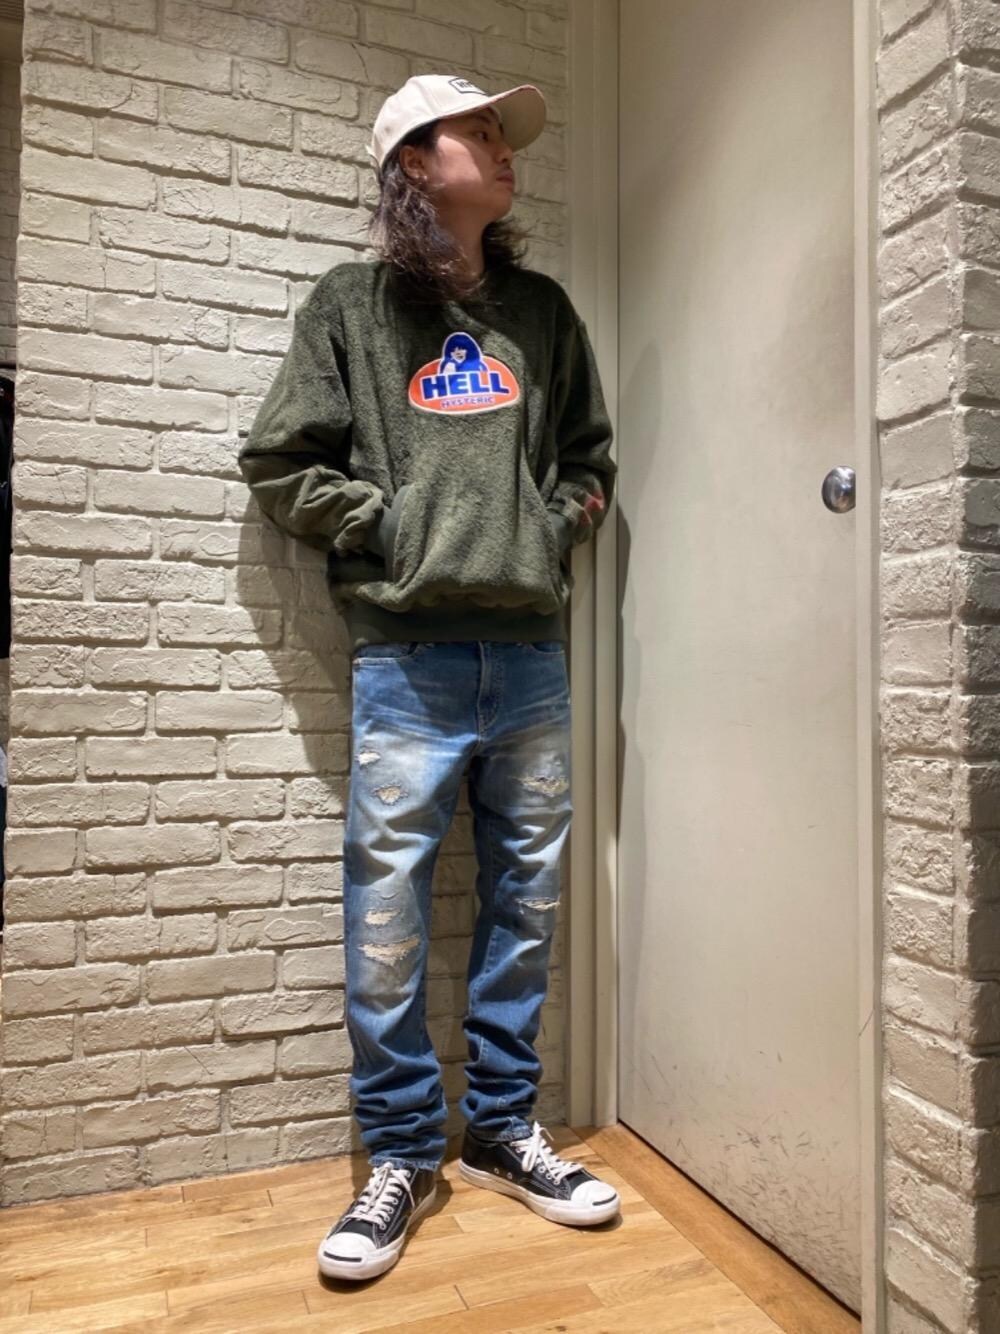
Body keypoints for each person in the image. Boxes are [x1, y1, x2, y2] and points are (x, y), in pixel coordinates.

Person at [238, 72, 620, 1283]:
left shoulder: (542, 311)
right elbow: (280, 459)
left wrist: (546, 528)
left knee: (527, 904)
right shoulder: (350, 307)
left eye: (506, 134)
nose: (505, 150)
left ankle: (502, 1128)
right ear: (414, 160)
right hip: (405, 658)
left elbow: (588, 459)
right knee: (389, 914)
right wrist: (390, 527)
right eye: (480, 132)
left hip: (531, 656)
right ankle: (401, 1151)